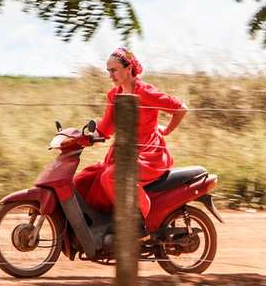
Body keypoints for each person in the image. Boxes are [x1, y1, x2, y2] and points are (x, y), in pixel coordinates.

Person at [73, 47, 188, 224]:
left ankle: (141, 219)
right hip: (123, 153)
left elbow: (180, 109)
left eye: (114, 70)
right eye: (108, 71)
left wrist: (167, 130)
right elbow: (105, 128)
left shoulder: (145, 92)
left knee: (110, 177)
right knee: (82, 180)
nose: (110, 75)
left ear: (128, 69)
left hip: (148, 154)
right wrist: (79, 138)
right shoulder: (114, 95)